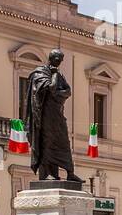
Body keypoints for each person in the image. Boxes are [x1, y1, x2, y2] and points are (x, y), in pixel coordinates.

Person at [22, 49, 81, 185]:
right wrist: (54, 77)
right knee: (47, 142)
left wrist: (58, 90)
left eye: (61, 61)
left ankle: (70, 173)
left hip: (57, 114)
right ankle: (48, 173)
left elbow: (68, 91)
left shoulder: (58, 74)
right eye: (57, 60)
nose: (59, 63)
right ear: (51, 58)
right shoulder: (39, 73)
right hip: (44, 115)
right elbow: (52, 88)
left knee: (64, 142)